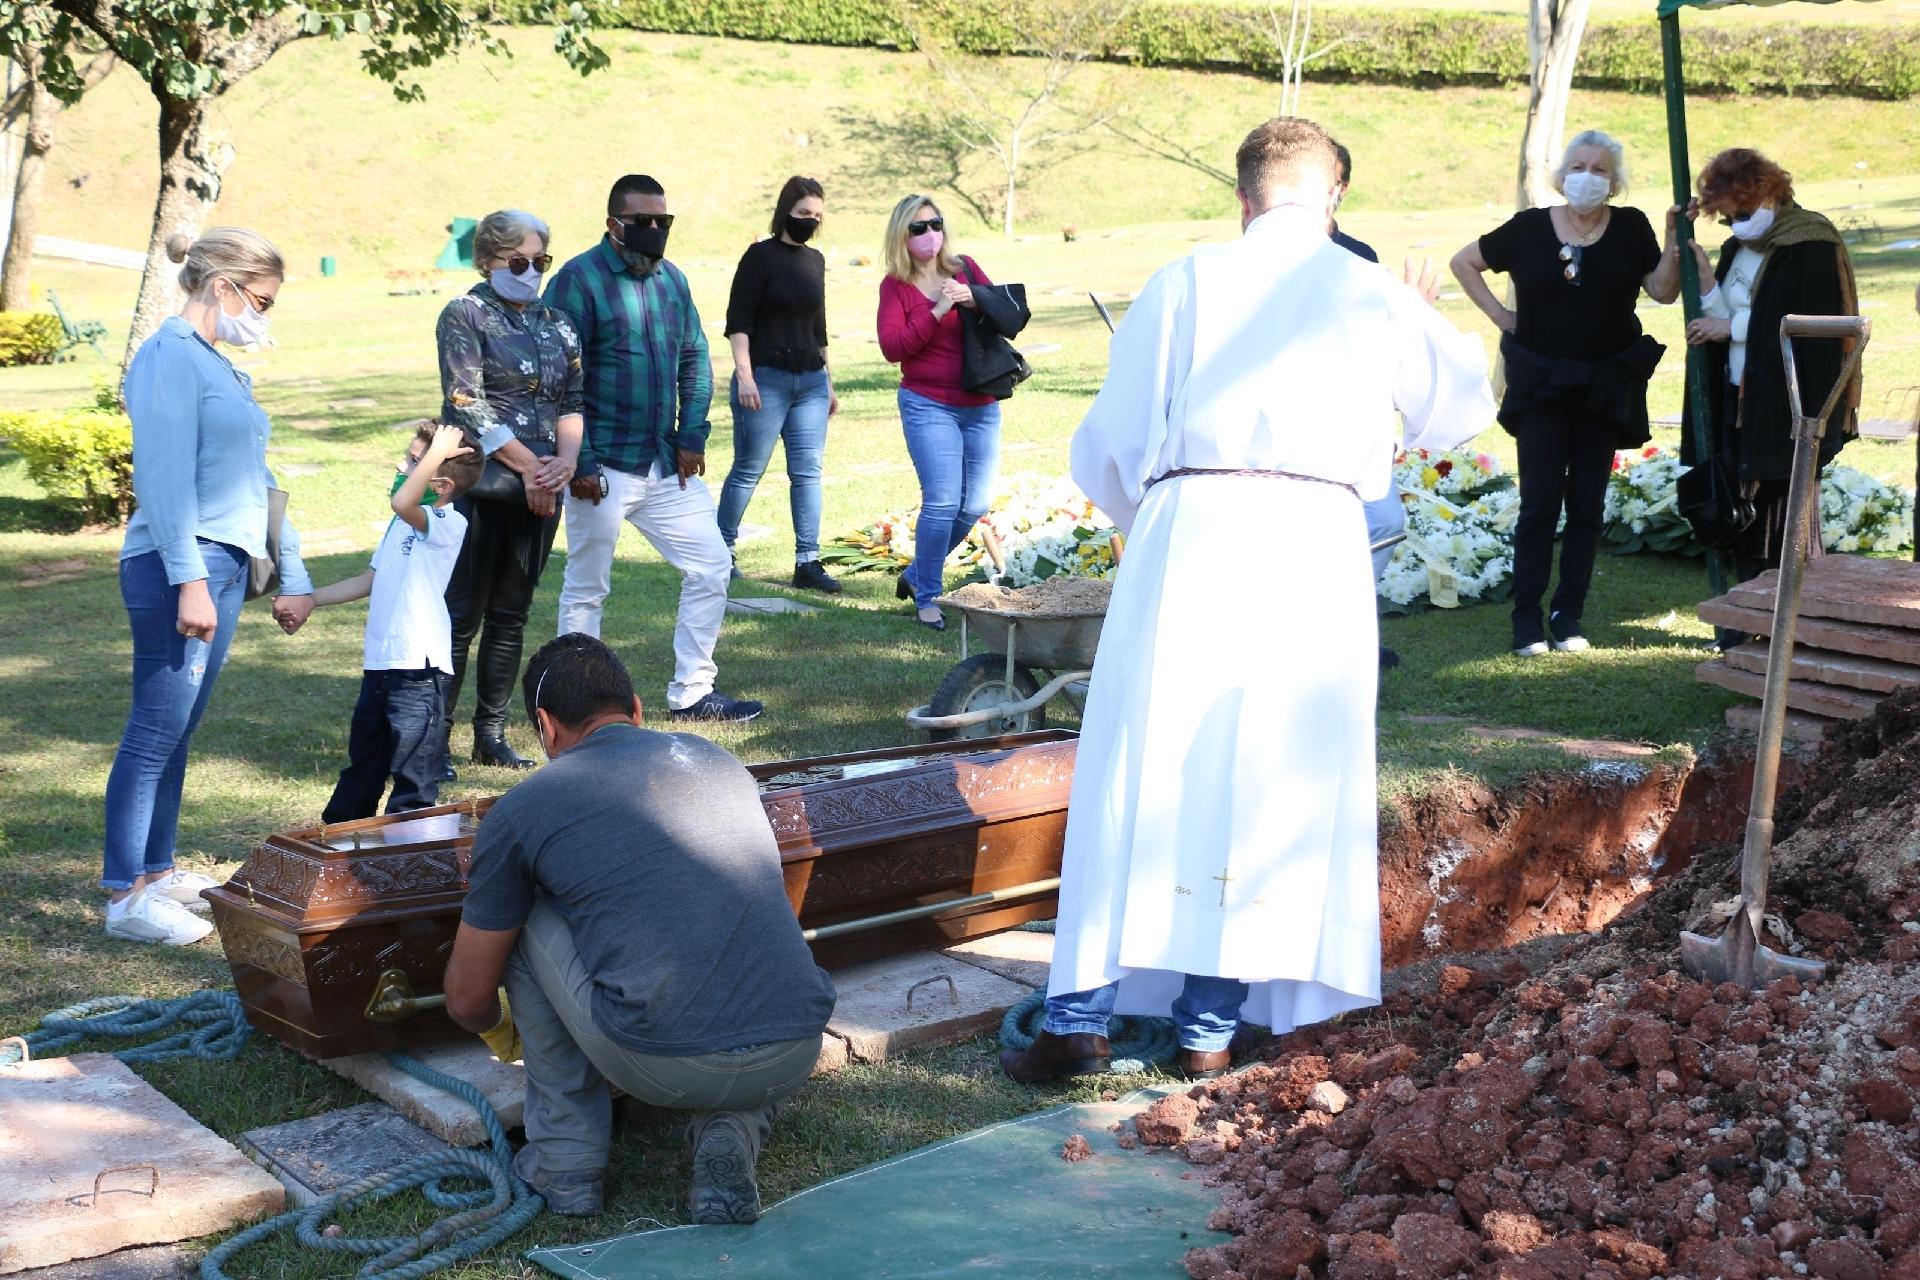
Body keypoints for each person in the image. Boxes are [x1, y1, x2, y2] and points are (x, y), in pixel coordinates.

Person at [1000, 117, 1493, 1085]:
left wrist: (1154, 511)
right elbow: (1462, 405)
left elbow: (1114, 438)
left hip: (1194, 524)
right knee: (1270, 765)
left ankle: (1079, 1017)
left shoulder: (1187, 279)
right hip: (1313, 542)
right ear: (1333, 198)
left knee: (1146, 755)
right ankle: (1208, 1028)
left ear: (1243, 198)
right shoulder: (1370, 291)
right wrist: (1412, 323)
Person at [441, 634, 835, 1221]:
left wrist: (500, 1029)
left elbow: (467, 998)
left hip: (661, 1063)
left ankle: (565, 1162)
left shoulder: (525, 807)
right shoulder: (721, 763)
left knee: (521, 919)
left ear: (545, 727)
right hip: (795, 1050)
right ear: (637, 710)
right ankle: (732, 1127)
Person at [103, 228, 316, 946]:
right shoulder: (167, 355)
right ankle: (125, 896)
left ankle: (157, 871)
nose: (264, 315)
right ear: (223, 286)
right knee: (154, 728)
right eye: (262, 300)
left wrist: (293, 571)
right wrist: (188, 579)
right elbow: (162, 478)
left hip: (222, 561)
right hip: (181, 564)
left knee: (179, 726)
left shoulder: (214, 363)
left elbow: (257, 481)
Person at [1451, 129, 1681, 658]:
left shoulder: (1631, 226)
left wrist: (1673, 235)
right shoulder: (1529, 228)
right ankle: (1526, 617)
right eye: (1579, 167)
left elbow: (1663, 290)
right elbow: (1464, 262)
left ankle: (1568, 613)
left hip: (1604, 383)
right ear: (1562, 175)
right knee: (1539, 503)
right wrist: (1500, 315)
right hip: (1542, 385)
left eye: (1600, 170)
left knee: (1586, 504)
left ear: (1614, 182)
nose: (1588, 177)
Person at [545, 174, 763, 722]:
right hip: (602, 464)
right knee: (587, 587)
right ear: (613, 224)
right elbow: (561, 378)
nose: (654, 230)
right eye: (641, 221)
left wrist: (692, 434)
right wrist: (580, 460)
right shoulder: (577, 280)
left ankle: (693, 691)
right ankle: (578, 708)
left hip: (665, 462)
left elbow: (694, 356)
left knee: (711, 565)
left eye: (662, 221)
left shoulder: (672, 280)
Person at [436, 209, 585, 775]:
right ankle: (435, 737)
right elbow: (465, 399)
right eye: (518, 262)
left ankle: (490, 735)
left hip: (542, 484)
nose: (531, 272)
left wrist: (562, 465)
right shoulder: (465, 313)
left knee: (511, 612)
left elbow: (572, 401)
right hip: (480, 481)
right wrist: (527, 465)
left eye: (540, 261)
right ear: (487, 260)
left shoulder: (559, 324)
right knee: (461, 611)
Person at [1684, 147, 1859, 581]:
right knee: (1744, 512)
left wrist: (1732, 328)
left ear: (1766, 191)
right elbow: (1726, 316)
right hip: (1742, 394)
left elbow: (1809, 322)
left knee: (1783, 510)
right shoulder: (1738, 247)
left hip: (1789, 399)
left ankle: (1785, 605)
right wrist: (1706, 280)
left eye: (1741, 212)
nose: (1737, 224)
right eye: (1729, 218)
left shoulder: (1810, 242)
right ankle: (1748, 603)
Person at [308, 424, 485, 822]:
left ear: (440, 485)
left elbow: (402, 501)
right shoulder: (402, 523)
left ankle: (412, 853)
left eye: (414, 461)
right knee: (364, 765)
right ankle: (341, 841)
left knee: (413, 777)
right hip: (382, 664)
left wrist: (438, 452)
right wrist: (311, 599)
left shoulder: (447, 521)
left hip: (419, 669)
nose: (401, 467)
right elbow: (369, 579)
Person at [875, 194, 1001, 631]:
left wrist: (976, 299)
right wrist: (938, 310)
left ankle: (916, 574)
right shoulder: (896, 285)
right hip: (928, 403)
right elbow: (893, 347)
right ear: (902, 235)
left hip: (980, 401)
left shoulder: (965, 267)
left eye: (936, 224)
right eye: (919, 228)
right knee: (943, 500)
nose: (930, 234)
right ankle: (928, 595)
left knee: (975, 503)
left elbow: (1005, 315)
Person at [715, 176, 842, 594]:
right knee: (749, 468)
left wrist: (829, 382)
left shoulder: (815, 260)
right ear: (786, 210)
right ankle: (721, 551)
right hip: (765, 378)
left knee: (807, 473)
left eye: (817, 216)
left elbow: (819, 327)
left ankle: (808, 560)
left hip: (810, 381)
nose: (811, 221)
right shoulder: (759, 256)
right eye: (804, 213)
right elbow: (739, 321)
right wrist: (745, 375)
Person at [1328, 138, 1403, 670]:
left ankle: (1348, 630)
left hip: (1351, 413)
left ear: (1343, 188)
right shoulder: (1257, 256)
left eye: (1331, 182)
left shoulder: (1359, 257)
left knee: (1383, 519)